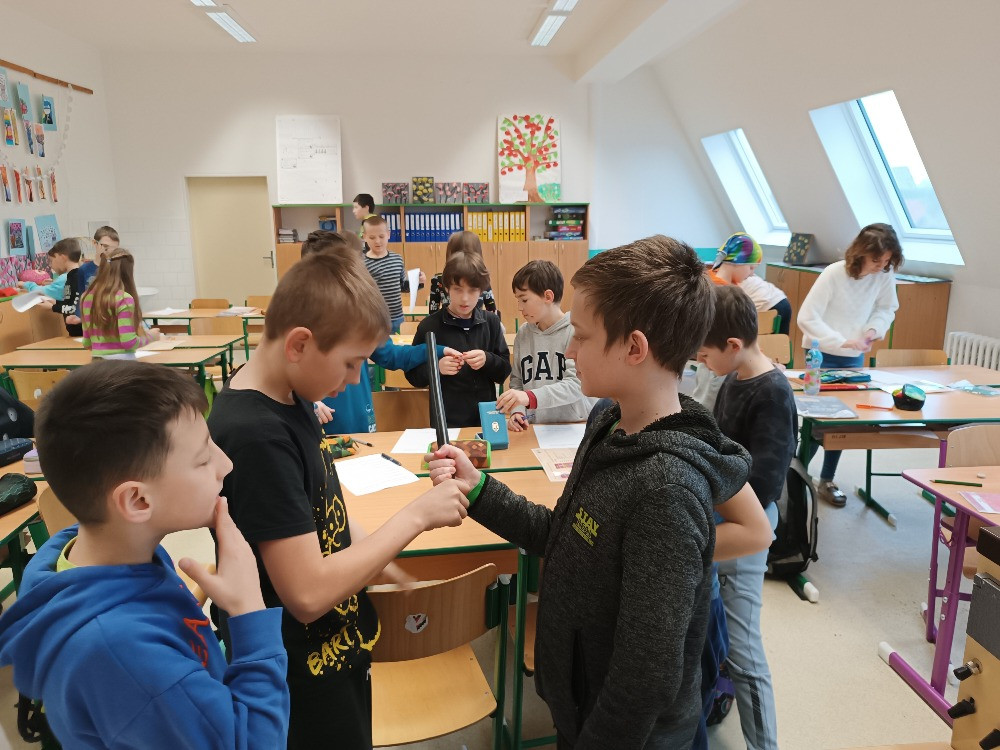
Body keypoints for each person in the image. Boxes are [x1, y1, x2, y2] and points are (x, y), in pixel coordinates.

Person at [427, 235, 772, 748]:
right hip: (579, 699)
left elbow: (643, 682)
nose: (570, 350)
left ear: (634, 348)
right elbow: (562, 533)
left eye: (582, 338)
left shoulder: (665, 492)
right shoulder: (608, 420)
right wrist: (476, 487)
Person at [207, 252, 470, 750]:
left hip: (334, 651)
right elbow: (306, 595)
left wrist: (382, 562)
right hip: (298, 678)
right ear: (299, 344)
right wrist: (416, 515)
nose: (354, 379)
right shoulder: (256, 435)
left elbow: (326, 512)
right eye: (350, 363)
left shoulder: (289, 396)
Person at [0, 360, 290, 748]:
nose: (226, 464)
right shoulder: (125, 655)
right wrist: (249, 611)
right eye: (203, 458)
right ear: (137, 500)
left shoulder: (89, 553)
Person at [696, 285, 797, 750]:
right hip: (721, 517)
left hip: (746, 529)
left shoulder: (772, 392)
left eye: (705, 353)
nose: (702, 362)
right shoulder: (733, 377)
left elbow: (765, 484)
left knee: (743, 650)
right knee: (712, 628)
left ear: (733, 345)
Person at [299, 230, 463, 434]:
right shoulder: (297, 320)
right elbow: (280, 381)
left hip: (361, 426)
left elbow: (392, 355)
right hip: (319, 427)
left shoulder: (359, 316)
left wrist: (437, 350)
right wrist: (308, 403)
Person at [797, 223, 902, 506]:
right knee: (818, 422)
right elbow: (807, 317)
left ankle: (827, 480)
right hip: (821, 352)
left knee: (843, 422)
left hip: (854, 355)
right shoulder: (834, 273)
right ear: (860, 253)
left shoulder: (884, 274)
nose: (882, 266)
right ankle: (795, 476)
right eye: (876, 260)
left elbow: (886, 308)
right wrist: (841, 341)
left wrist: (872, 330)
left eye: (887, 261)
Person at [405, 252, 510, 427]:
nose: (465, 298)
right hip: (446, 422)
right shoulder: (429, 326)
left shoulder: (491, 322)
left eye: (472, 290)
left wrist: (487, 359)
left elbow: (503, 372)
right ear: (447, 288)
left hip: (487, 421)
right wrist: (436, 368)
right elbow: (413, 376)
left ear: (481, 291)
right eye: (458, 289)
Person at [496, 259, 592, 429]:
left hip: (574, 426)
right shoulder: (523, 334)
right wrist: (518, 411)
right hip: (536, 427)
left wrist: (530, 398)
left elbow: (577, 385)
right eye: (518, 300)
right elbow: (517, 382)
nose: (519, 307)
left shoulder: (575, 331)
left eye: (524, 300)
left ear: (548, 296)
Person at [81, 248, 160, 357]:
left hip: (97, 362)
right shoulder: (124, 299)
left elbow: (87, 343)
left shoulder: (86, 297)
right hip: (121, 364)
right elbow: (129, 343)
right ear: (127, 273)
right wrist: (151, 337)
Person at [711, 232, 792, 335]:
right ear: (737, 263)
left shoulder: (733, 284)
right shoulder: (720, 286)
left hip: (775, 306)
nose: (752, 273)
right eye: (751, 268)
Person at [362, 215, 424, 333]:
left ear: (388, 234)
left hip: (397, 318)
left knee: (397, 344)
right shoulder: (362, 263)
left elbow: (402, 286)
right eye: (372, 237)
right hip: (374, 320)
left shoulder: (397, 259)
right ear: (365, 237)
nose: (377, 241)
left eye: (381, 236)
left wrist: (418, 282)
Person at [427, 231, 498, 317]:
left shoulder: (481, 278)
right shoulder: (439, 280)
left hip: (476, 324)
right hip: (447, 323)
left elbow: (493, 314)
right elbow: (433, 315)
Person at [43, 238, 86, 336]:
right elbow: (70, 301)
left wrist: (52, 307)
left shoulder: (75, 278)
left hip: (82, 333)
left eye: (52, 260)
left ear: (62, 257)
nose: (51, 265)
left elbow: (73, 308)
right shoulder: (73, 277)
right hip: (78, 333)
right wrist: (53, 301)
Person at [78, 225, 120, 292]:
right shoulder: (83, 270)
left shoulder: (119, 269)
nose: (110, 251)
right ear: (95, 243)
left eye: (114, 249)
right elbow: (79, 295)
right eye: (105, 246)